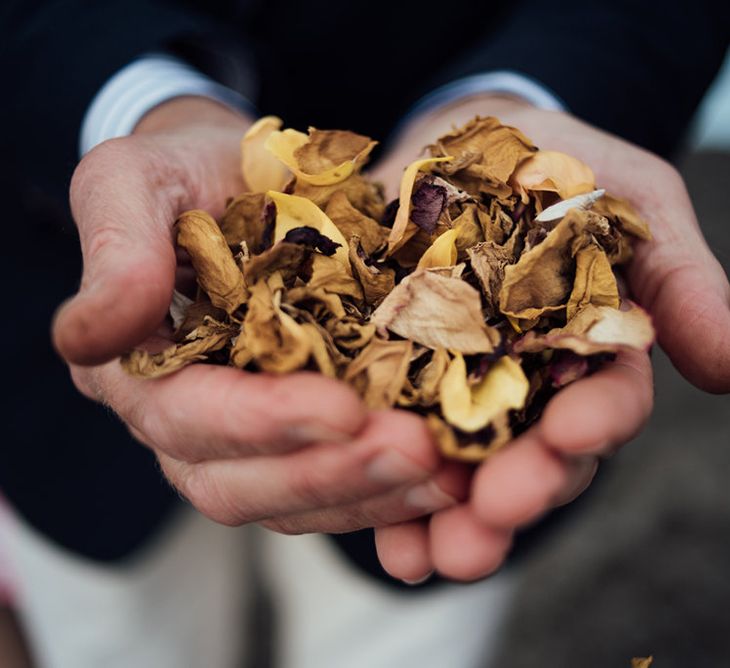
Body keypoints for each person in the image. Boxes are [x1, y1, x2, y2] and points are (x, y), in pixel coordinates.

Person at [1, 0, 729, 665]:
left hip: (435, 475)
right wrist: (146, 109)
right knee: (114, 640)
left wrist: (516, 104)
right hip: (58, 376)